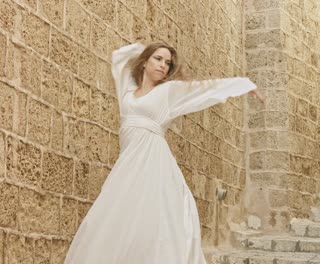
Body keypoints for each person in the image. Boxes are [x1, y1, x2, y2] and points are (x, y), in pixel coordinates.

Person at [64, 41, 264, 263]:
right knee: (116, 219)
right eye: (158, 59)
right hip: (128, 165)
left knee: (156, 220)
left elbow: (204, 89)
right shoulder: (128, 92)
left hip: (153, 162)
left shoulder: (168, 92)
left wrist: (242, 85)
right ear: (144, 62)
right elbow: (120, 57)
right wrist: (143, 50)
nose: (163, 66)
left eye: (167, 63)